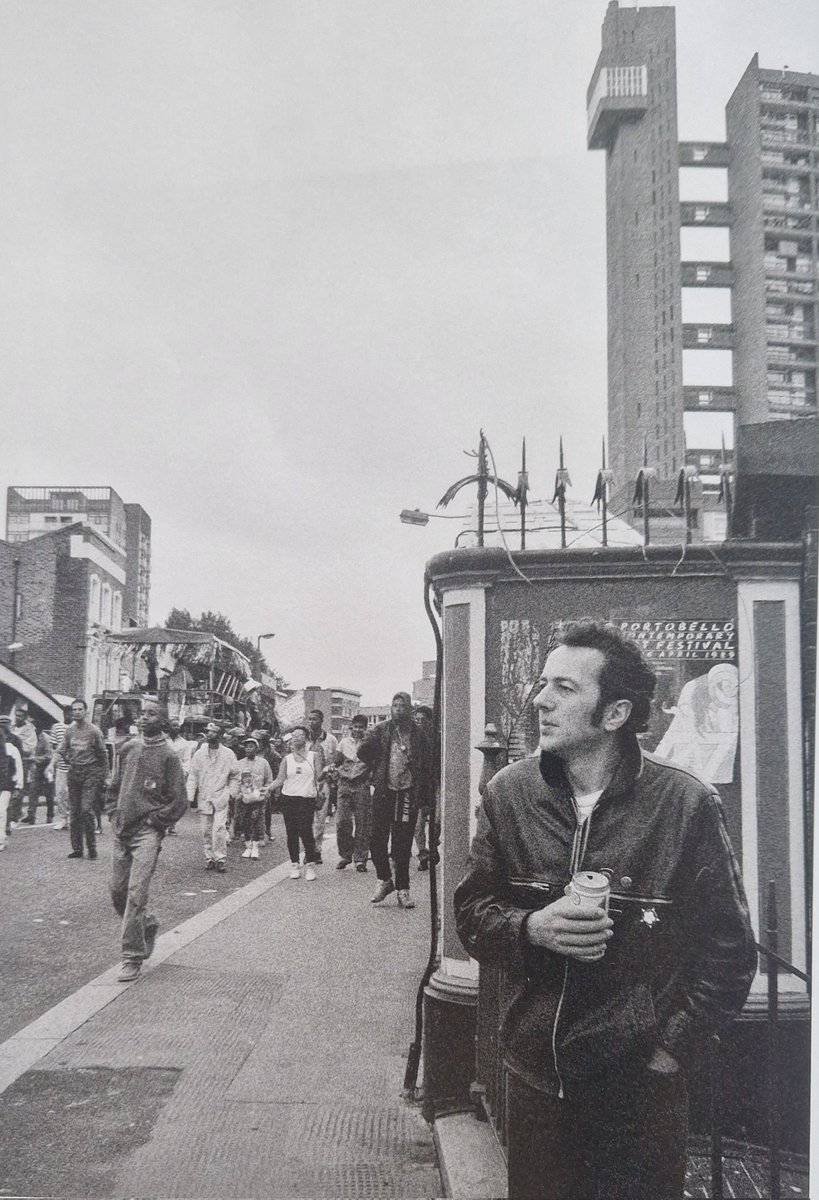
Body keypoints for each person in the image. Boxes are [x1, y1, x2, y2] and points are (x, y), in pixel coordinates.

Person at [454, 620, 756, 1200]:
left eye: (564, 689)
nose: (540, 700)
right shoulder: (508, 794)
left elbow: (729, 951)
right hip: (535, 1074)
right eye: (543, 683)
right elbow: (471, 912)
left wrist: (668, 1051)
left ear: (615, 714)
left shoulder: (686, 804)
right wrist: (530, 927)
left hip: (639, 1088)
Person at [107, 700, 188, 982]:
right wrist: (112, 811)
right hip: (122, 830)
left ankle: (131, 957)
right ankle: (148, 925)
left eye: (151, 714)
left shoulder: (169, 756)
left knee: (135, 894)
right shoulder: (128, 747)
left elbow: (179, 801)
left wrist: (156, 821)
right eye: (142, 713)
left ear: (163, 721)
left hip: (147, 833)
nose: (143, 718)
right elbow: (114, 784)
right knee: (117, 892)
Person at [357, 692, 433, 909]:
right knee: (375, 839)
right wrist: (377, 762)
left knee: (402, 844)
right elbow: (363, 752)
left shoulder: (419, 735)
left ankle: (403, 889)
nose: (398, 709)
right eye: (395, 705)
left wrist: (426, 798)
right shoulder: (381, 729)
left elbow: (428, 767)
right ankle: (385, 879)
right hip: (384, 791)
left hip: (407, 792)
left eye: (402, 706)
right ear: (391, 708)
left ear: (409, 709)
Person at [58, 699, 109, 861]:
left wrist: (105, 776)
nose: (77, 712)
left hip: (90, 773)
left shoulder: (94, 731)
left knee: (86, 810)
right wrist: (65, 759)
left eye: (80, 709)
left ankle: (92, 848)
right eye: (74, 709)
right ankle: (77, 848)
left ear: (86, 711)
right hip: (74, 773)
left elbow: (103, 754)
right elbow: (61, 750)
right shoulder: (69, 731)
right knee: (74, 812)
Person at [187, 721, 240, 873]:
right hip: (204, 796)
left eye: (214, 732)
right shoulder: (199, 754)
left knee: (219, 829)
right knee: (206, 830)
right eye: (208, 731)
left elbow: (235, 775)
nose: (210, 734)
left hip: (221, 796)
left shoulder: (228, 754)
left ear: (221, 735)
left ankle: (220, 858)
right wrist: (190, 796)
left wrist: (230, 793)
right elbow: (193, 776)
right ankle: (209, 857)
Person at [271, 726, 320, 881]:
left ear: (306, 738)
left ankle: (311, 865)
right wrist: (267, 788)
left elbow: (320, 777)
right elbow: (280, 779)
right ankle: (294, 864)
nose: (296, 738)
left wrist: (326, 782)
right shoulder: (287, 759)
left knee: (306, 831)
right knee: (291, 832)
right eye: (293, 736)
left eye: (299, 735)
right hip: (289, 797)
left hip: (307, 798)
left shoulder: (314, 756)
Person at [330, 714, 372, 871]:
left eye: (361, 727)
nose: (358, 730)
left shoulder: (369, 744)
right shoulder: (343, 743)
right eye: (356, 727)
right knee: (342, 821)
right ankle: (346, 854)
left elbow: (374, 763)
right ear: (351, 727)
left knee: (363, 823)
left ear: (365, 728)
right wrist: (337, 773)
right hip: (345, 784)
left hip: (362, 784)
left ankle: (360, 859)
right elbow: (336, 761)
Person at [306, 710, 336, 864]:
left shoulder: (330, 740)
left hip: (323, 782)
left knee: (320, 818)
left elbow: (335, 761)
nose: (312, 722)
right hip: (305, 783)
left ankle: (316, 850)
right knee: (306, 818)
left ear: (321, 720)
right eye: (309, 719)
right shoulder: (304, 739)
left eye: (315, 719)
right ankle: (308, 849)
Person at [411, 705, 439, 871]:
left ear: (430, 721)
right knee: (418, 824)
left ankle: (433, 847)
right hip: (419, 786)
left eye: (423, 720)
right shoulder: (414, 740)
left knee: (436, 822)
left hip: (435, 784)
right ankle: (422, 853)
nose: (420, 723)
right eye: (417, 720)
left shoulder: (438, 739)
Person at [237, 735, 273, 860]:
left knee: (257, 820)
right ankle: (248, 846)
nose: (248, 749)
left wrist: (265, 793)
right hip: (245, 798)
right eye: (246, 747)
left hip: (258, 798)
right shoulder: (240, 763)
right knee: (246, 821)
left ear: (256, 749)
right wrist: (239, 794)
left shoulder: (263, 763)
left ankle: (256, 846)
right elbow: (236, 780)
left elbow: (269, 780)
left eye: (251, 746)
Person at [22, 719, 55, 825]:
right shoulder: (32, 738)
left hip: (47, 768)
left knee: (49, 793)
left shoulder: (46, 739)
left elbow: (49, 755)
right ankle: (31, 814)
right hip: (37, 767)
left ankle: (50, 815)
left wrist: (35, 759)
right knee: (33, 790)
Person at [255, 730, 281, 842]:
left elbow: (276, 771)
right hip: (252, 782)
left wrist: (275, 788)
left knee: (266, 809)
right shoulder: (252, 750)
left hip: (267, 783)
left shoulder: (273, 754)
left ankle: (267, 830)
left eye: (259, 740)